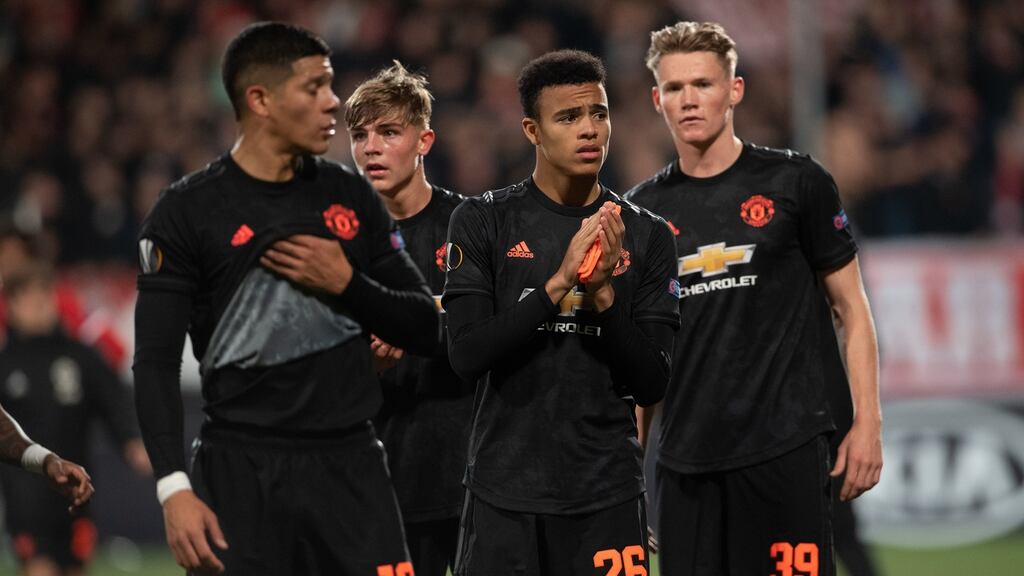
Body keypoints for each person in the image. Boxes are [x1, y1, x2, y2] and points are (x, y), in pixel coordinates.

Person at [132, 22, 439, 575]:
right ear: (261, 100)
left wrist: (347, 283)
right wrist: (173, 488)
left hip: (351, 468)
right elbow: (153, 362)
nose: (333, 101)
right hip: (237, 473)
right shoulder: (186, 212)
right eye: (315, 87)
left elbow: (424, 325)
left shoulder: (349, 196)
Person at [625, 21, 883, 576]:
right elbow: (644, 358)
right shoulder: (638, 215)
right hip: (686, 463)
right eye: (674, 88)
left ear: (734, 90)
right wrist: (628, 474)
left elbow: (851, 311)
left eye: (703, 83)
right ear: (656, 99)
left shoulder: (797, 183)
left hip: (787, 450)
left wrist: (867, 425)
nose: (689, 100)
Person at [443, 49, 680, 576]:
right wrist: (556, 286)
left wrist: (603, 298)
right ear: (532, 129)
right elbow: (466, 354)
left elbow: (652, 382)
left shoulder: (647, 235)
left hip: (607, 496)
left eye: (598, 113)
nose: (589, 129)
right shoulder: (484, 222)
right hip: (504, 495)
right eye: (569, 117)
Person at [345, 61, 473, 576]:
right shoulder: (337, 244)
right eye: (360, 134)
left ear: (424, 140)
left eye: (388, 132)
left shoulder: (472, 225)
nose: (370, 147)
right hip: (380, 484)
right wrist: (363, 366)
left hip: (471, 482)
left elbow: (494, 331)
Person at [0, 265, 149, 576]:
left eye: (44, 295)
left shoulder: (80, 356)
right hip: (25, 497)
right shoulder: (5, 362)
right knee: (40, 569)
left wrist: (130, 441)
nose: (40, 305)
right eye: (28, 297)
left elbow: (113, 402)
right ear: (11, 305)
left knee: (75, 568)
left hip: (75, 487)